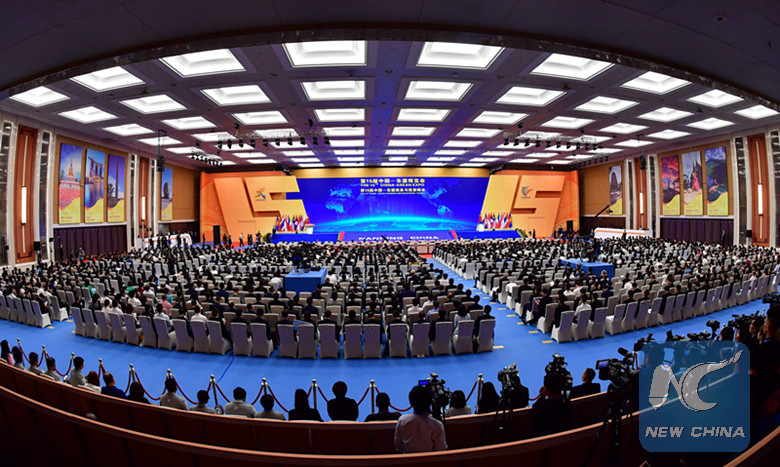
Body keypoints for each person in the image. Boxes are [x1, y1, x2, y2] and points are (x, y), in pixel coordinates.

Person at [394, 385, 447, 453]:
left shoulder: (402, 421)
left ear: (411, 402)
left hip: (407, 459)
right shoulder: (437, 425)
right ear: (430, 402)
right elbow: (441, 449)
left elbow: (398, 446)